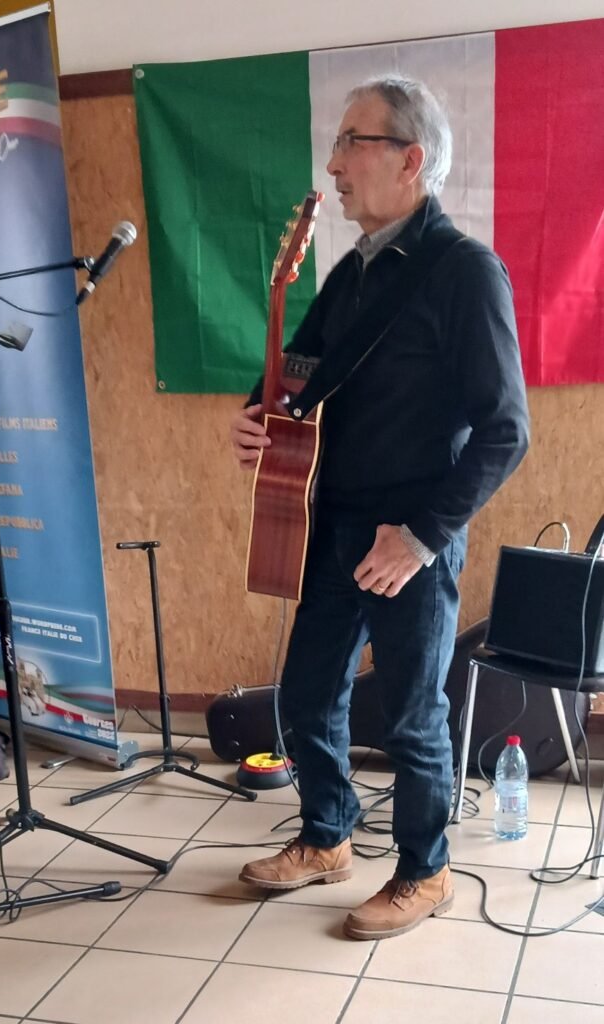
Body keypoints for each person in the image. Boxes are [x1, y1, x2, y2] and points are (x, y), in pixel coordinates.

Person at [230, 75, 529, 940]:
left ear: (409, 159)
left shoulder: (465, 271)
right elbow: (300, 369)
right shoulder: (353, 271)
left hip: (409, 538)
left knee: (410, 714)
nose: (332, 165)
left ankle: (425, 871)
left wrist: (424, 537)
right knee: (305, 694)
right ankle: (328, 835)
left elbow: (506, 431)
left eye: (349, 144)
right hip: (331, 523)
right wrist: (257, 412)